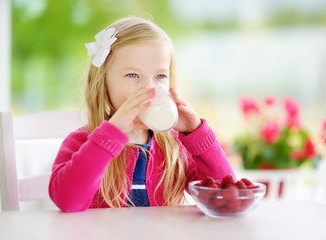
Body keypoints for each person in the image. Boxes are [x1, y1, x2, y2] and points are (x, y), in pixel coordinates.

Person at [49, 17, 235, 212]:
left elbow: (225, 196)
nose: (149, 87)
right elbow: (67, 201)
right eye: (133, 75)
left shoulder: (174, 148)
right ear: (103, 82)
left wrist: (197, 133)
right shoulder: (82, 142)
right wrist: (111, 134)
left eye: (160, 76)